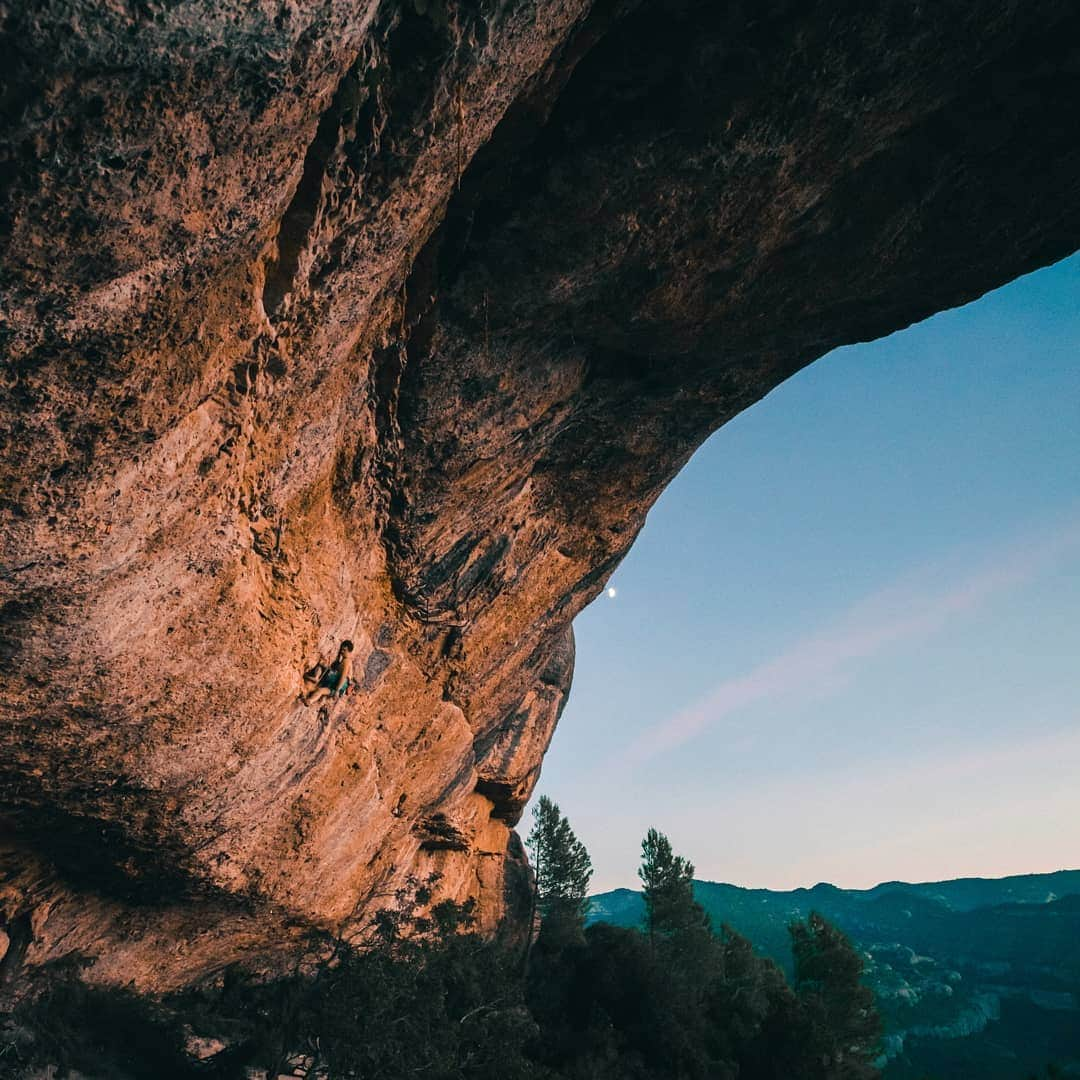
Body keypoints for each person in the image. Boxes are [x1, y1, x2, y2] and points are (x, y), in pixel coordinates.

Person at [301, 640, 354, 706]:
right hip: (340, 688)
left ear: (349, 651)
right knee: (321, 691)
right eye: (341, 649)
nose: (342, 651)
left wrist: (337, 690)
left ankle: (317, 677)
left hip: (339, 684)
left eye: (344, 650)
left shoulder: (347, 661)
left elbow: (343, 676)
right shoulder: (345, 660)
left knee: (321, 666)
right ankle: (310, 701)